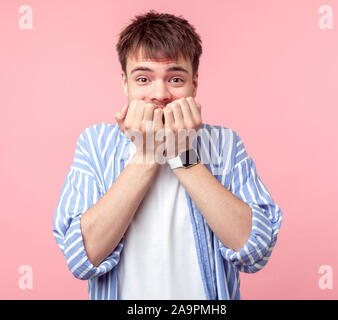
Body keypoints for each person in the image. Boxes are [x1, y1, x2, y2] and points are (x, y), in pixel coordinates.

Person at [53, 10, 283, 300]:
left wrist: (183, 156)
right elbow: (81, 258)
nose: (160, 94)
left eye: (175, 79)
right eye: (143, 79)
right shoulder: (95, 144)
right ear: (125, 82)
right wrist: (145, 156)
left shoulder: (225, 144)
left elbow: (256, 251)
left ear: (194, 83)